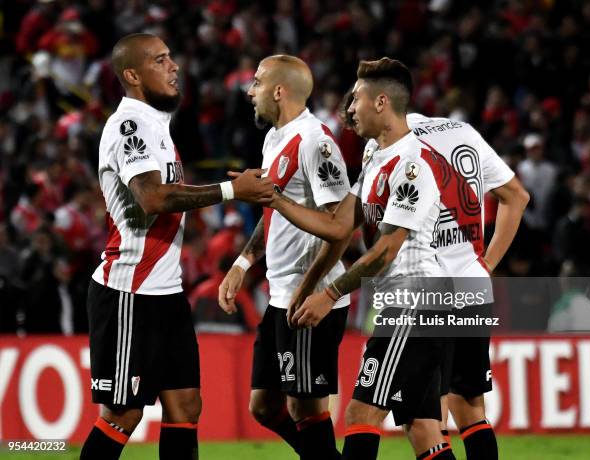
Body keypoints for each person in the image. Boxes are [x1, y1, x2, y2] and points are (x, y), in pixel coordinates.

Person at [80, 33, 273, 460]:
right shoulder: (128, 125)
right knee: (122, 416)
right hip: (128, 293)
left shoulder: (158, 126)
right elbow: (152, 197)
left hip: (166, 294)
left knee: (186, 407)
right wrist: (230, 190)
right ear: (132, 74)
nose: (174, 66)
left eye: (171, 57)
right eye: (160, 60)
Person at [271, 57, 457, 460]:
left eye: (356, 99)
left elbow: (386, 251)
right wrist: (275, 199)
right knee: (423, 427)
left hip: (416, 301)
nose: (349, 108)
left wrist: (330, 293)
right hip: (410, 301)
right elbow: (341, 225)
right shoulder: (375, 153)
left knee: (361, 411)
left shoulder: (412, 166)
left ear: (381, 102)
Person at [218, 54, 351, 459]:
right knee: (264, 406)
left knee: (304, 407)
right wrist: (242, 263)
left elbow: (339, 229)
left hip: (311, 297)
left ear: (279, 91)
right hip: (281, 296)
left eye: (257, 83)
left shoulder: (317, 142)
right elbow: (271, 211)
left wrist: (313, 291)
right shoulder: (273, 138)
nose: (249, 91)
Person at [380, 112, 529, 460]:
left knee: (425, 417)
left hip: (426, 291)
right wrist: (487, 263)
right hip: (472, 283)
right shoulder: (462, 130)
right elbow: (517, 196)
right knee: (471, 406)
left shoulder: (390, 143)